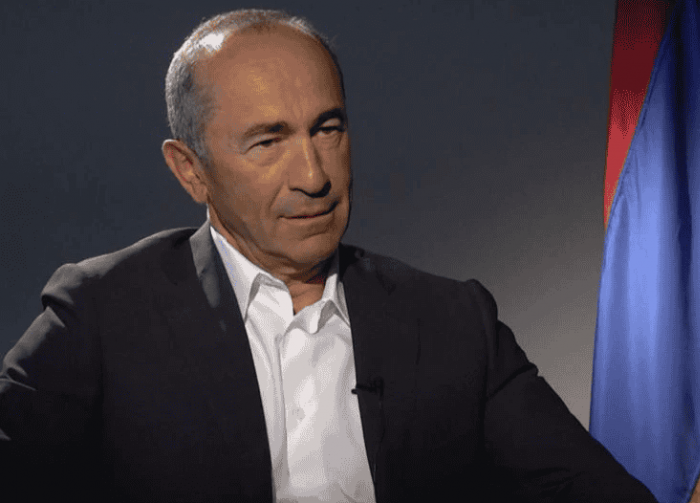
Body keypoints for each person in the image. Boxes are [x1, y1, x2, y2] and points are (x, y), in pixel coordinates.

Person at [0, 9, 658, 503]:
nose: (314, 176)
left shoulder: (453, 322)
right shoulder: (102, 313)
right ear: (190, 171)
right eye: (268, 142)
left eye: (328, 129)